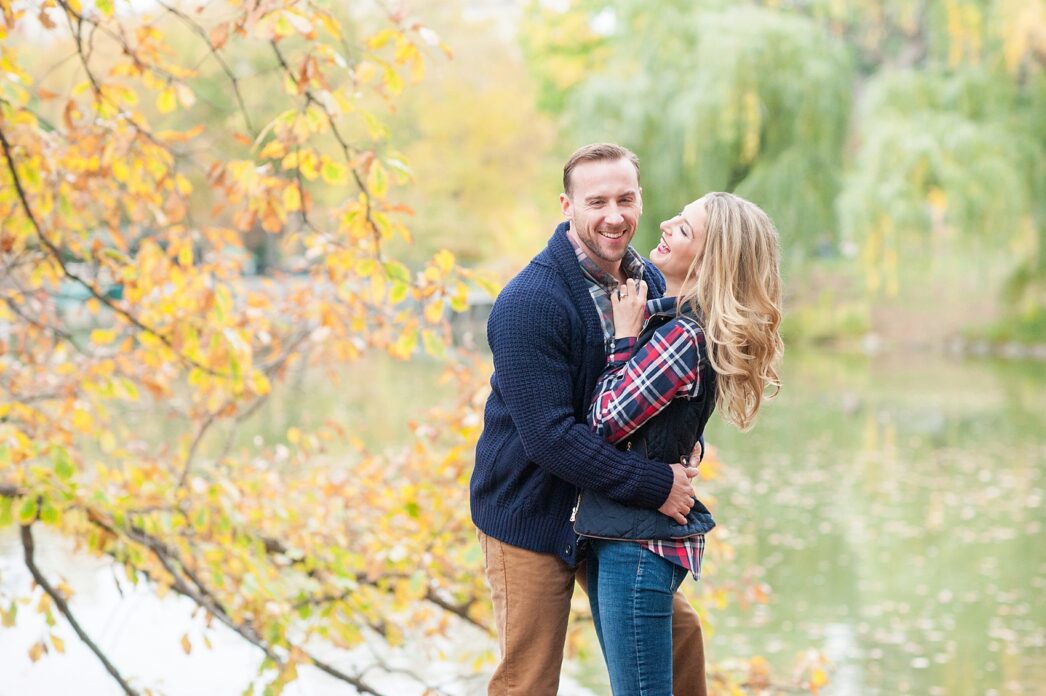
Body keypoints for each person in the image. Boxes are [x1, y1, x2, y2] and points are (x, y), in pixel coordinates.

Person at [470, 144, 708, 695]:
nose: (614, 216)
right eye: (596, 201)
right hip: (530, 509)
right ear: (566, 205)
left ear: (640, 200)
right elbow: (551, 440)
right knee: (528, 678)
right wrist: (656, 484)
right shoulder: (530, 301)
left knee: (680, 638)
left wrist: (682, 447)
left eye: (626, 199)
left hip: (605, 508)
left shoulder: (648, 280)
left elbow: (652, 391)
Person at [581, 192, 784, 695]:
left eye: (686, 230)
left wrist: (622, 341)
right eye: (678, 217)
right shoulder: (676, 325)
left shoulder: (682, 337)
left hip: (637, 549)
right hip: (630, 540)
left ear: (708, 261)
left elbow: (604, 421)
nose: (667, 224)